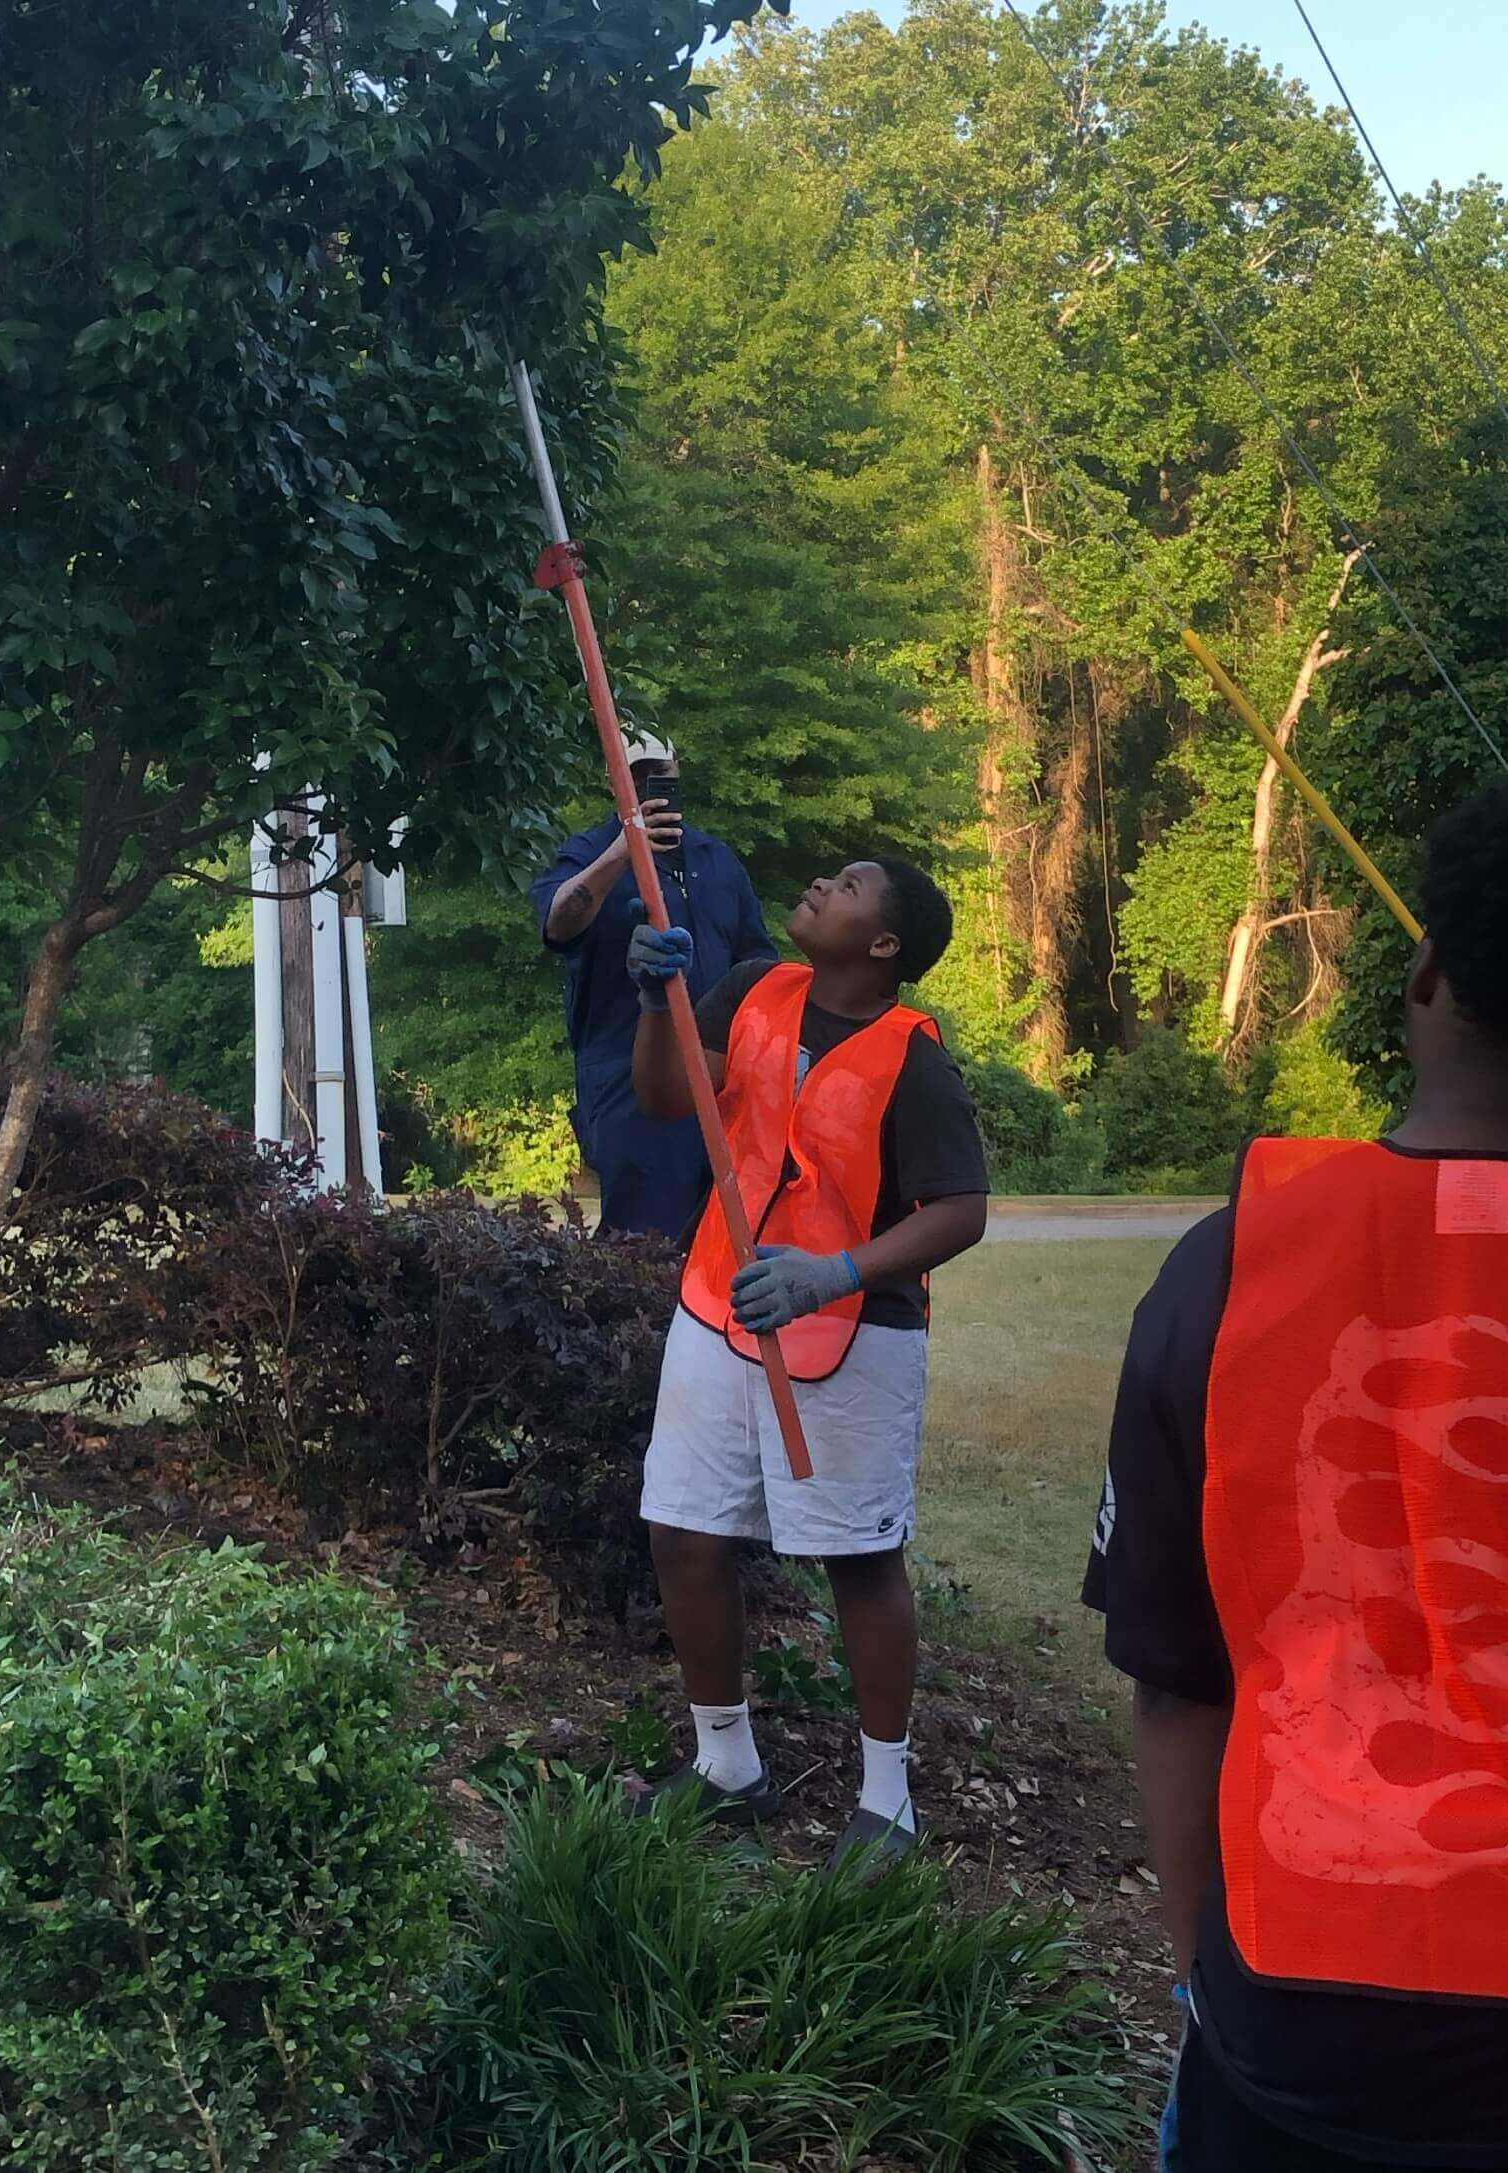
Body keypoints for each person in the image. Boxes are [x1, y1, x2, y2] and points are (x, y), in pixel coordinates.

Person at [1084, 780, 1508, 2172]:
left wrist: (1207, 1978)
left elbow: (1173, 1679)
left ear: (1427, 976)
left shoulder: (1228, 1269)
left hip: (1313, 1995)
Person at [626, 856, 990, 1869]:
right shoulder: (748, 987)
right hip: (718, 1303)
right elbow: (666, 1101)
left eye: (853, 884)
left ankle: (887, 1802)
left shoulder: (913, 1061)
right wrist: (652, 998)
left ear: (884, 946)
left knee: (858, 1559)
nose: (825, 881)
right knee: (685, 1533)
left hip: (852, 1333)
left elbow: (961, 1212)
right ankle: (726, 1766)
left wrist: (832, 1272)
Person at [529, 728, 775, 1237]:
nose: (649, 784)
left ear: (678, 767)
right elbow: (557, 922)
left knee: (725, 1233)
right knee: (644, 1238)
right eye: (636, 774)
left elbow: (758, 962)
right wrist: (624, 851)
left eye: (658, 771)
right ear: (613, 778)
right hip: (627, 1080)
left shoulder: (717, 860)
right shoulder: (589, 852)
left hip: (718, 1077)